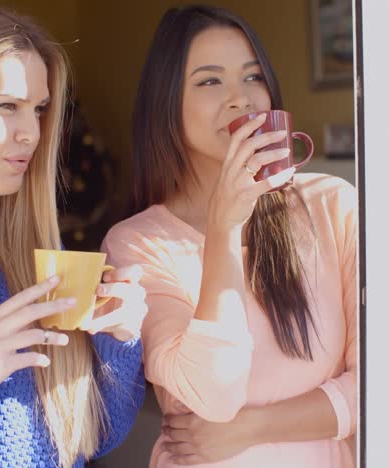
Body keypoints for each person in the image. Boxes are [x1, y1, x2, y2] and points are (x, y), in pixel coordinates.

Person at [102, 4, 356, 468]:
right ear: (166, 104)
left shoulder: (333, 205)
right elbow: (213, 396)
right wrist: (224, 229)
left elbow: (375, 385)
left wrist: (250, 429)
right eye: (210, 80)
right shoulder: (135, 244)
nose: (241, 98)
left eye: (253, 77)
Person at [0, 2, 146, 467]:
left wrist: (120, 340)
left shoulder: (38, 260)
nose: (32, 133)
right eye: (7, 106)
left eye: (39, 109)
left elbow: (92, 436)